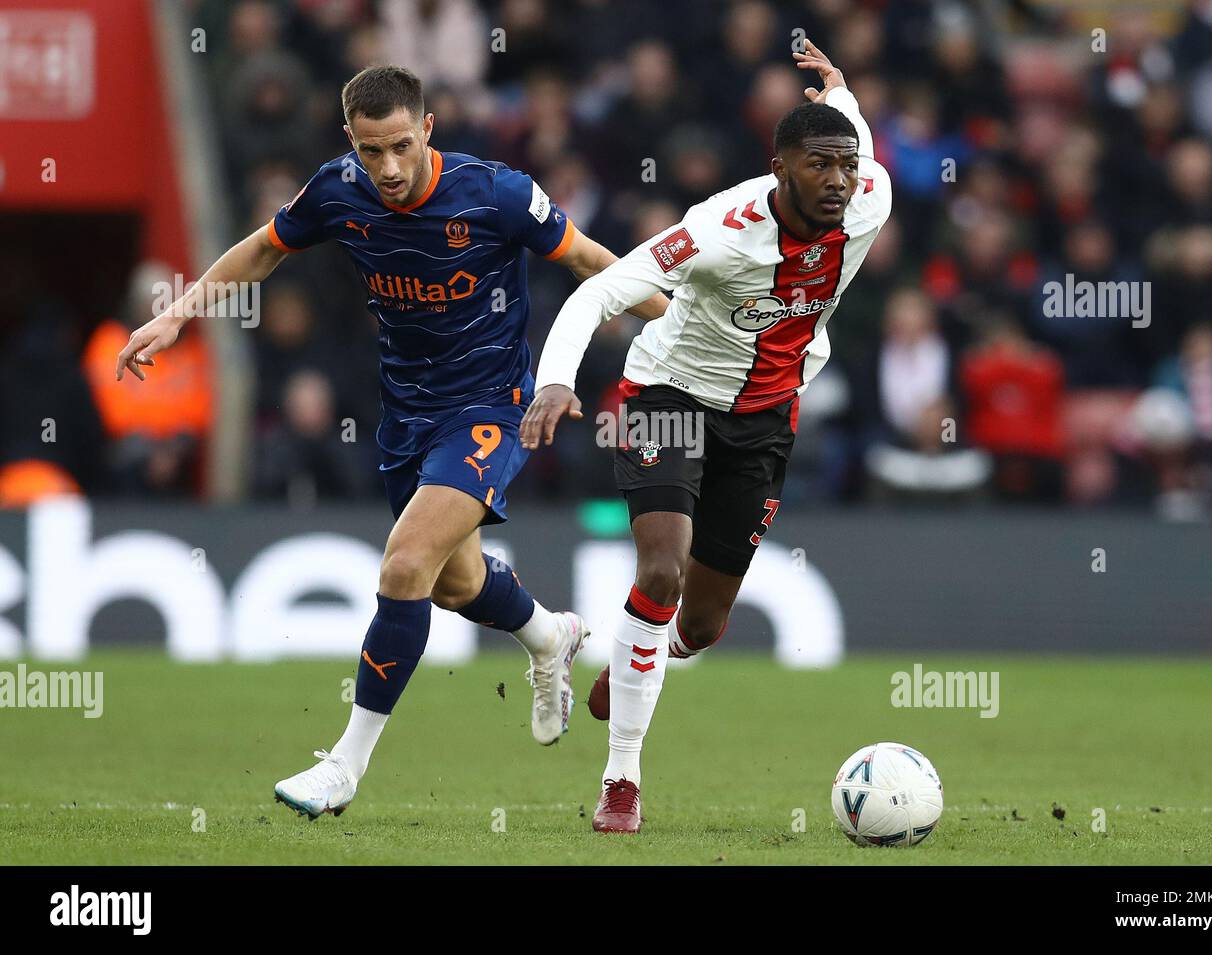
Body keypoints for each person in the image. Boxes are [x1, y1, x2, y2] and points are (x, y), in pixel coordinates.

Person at [115, 65, 668, 820]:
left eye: (402, 146)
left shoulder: (497, 193)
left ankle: (344, 764)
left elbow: (589, 261)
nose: (390, 169)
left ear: (428, 129)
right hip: (405, 413)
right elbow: (263, 249)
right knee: (451, 581)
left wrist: (679, 325)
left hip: (491, 408)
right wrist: (178, 315)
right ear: (353, 141)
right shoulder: (337, 190)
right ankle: (550, 634)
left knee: (407, 561)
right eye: (372, 151)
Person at [520, 40, 892, 833]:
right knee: (660, 569)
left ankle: (631, 666)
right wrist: (556, 378)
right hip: (668, 395)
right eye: (818, 165)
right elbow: (600, 292)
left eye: (846, 164)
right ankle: (622, 777)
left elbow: (845, 123)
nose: (837, 179)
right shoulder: (717, 229)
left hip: (765, 419)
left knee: (702, 624)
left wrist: (840, 87)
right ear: (780, 167)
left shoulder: (869, 198)